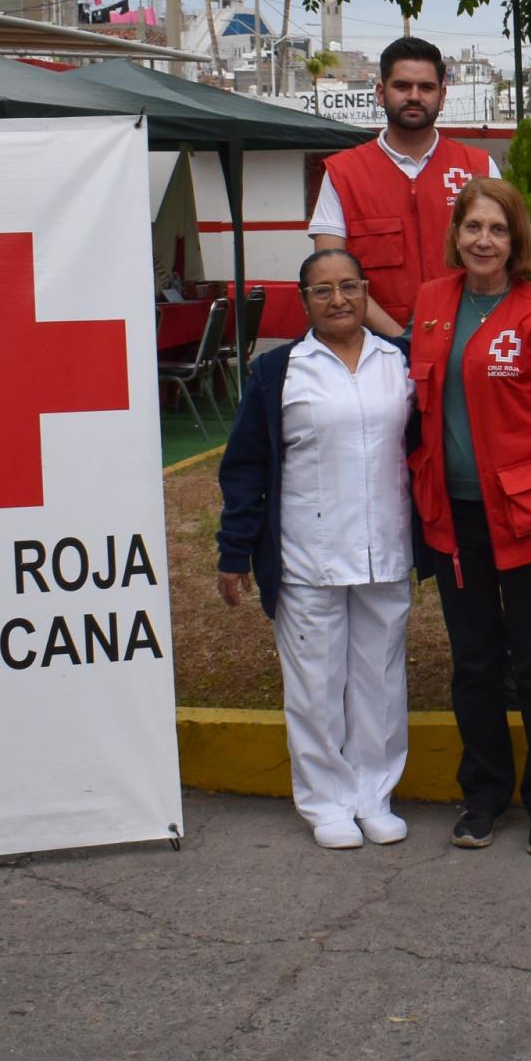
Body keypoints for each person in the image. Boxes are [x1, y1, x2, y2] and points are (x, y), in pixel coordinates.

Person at [407, 178, 531, 856]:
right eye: (473, 227)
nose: (484, 240)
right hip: (453, 518)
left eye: (498, 229)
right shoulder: (430, 304)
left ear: (518, 242)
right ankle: (484, 794)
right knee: (474, 663)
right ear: (457, 233)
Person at [215, 249, 412, 850]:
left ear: (365, 289)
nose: (338, 300)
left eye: (348, 286)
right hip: (309, 554)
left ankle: (374, 795)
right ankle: (326, 801)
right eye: (322, 290)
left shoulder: (397, 361)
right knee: (316, 685)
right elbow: (246, 465)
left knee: (380, 681)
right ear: (304, 301)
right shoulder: (279, 371)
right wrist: (234, 548)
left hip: (386, 547)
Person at [309, 35, 499, 337]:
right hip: (375, 352)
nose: (414, 96)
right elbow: (331, 276)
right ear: (381, 94)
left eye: (426, 87)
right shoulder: (342, 174)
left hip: (467, 344)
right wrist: (401, 343)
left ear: (442, 95)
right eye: (402, 86)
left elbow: (503, 263)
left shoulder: (478, 168)